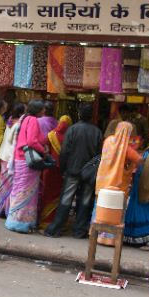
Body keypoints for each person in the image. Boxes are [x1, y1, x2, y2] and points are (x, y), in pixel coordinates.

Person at [44, 102, 103, 239]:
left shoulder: (72, 129)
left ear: (78, 114)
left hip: (73, 170)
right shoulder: (97, 132)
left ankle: (56, 229)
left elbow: (64, 152)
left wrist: (64, 170)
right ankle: (80, 230)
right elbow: (100, 154)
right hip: (89, 173)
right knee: (85, 201)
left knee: (66, 200)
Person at [94, 121, 144, 246]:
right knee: (114, 211)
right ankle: (109, 239)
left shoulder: (108, 141)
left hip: (103, 182)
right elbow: (140, 162)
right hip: (118, 186)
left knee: (101, 208)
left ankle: (97, 235)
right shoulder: (126, 149)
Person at [5, 99, 49, 234]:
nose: (45, 111)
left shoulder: (24, 119)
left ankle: (17, 222)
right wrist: (43, 150)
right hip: (26, 160)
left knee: (20, 191)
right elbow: (31, 141)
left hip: (19, 159)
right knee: (26, 193)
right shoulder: (33, 121)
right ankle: (20, 224)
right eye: (43, 109)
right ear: (38, 110)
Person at [38, 115, 73, 230]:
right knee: (61, 196)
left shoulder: (51, 135)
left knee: (48, 195)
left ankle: (45, 222)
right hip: (62, 171)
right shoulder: (70, 137)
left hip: (49, 170)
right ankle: (60, 224)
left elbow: (45, 151)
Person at [0, 103, 24, 218]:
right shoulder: (18, 124)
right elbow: (12, 140)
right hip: (10, 157)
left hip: (3, 154)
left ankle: (0, 209)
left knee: (3, 184)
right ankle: (6, 210)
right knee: (10, 185)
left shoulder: (9, 121)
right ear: (20, 113)